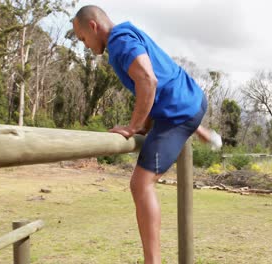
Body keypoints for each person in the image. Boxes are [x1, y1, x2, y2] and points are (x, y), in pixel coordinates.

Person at [72, 5, 221, 263]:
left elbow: (148, 81)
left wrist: (133, 127)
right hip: (190, 99)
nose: (85, 45)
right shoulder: (128, 33)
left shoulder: (119, 42)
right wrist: (143, 125)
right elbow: (157, 82)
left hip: (179, 111)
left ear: (93, 27)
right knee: (151, 132)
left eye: (83, 38)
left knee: (140, 184)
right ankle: (200, 129)